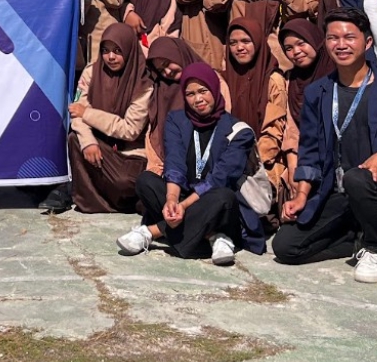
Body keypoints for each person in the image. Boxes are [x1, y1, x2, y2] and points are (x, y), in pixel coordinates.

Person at [273, 8, 377, 282]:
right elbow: (310, 151)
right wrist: (301, 194)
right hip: (337, 192)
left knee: (357, 179)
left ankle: (376, 247)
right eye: (333, 38)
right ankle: (355, 239)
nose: (341, 45)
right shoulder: (318, 92)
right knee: (285, 247)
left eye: (349, 37)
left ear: (367, 42)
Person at [118, 63, 259, 265]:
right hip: (184, 195)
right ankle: (211, 236)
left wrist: (183, 206)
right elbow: (174, 163)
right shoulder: (177, 120)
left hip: (217, 204)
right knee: (146, 181)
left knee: (223, 197)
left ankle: (152, 232)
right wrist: (172, 200)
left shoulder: (238, 131)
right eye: (190, 94)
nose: (198, 99)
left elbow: (220, 178)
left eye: (203, 91)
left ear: (214, 89)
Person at [66, 23, 153, 214]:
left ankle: (121, 200)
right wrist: (88, 141)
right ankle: (91, 201)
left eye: (117, 51)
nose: (111, 57)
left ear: (129, 50)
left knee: (125, 183)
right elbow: (76, 111)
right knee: (75, 139)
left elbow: (129, 130)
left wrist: (87, 113)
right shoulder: (92, 72)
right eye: (105, 50)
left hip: (131, 153)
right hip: (101, 146)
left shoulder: (143, 83)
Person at [222, 18, 288, 215]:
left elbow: (275, 130)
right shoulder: (225, 79)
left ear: (258, 42)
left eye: (246, 41)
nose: (239, 48)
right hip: (228, 159)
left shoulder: (273, 79)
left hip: (262, 162)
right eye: (233, 43)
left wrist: (250, 160)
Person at [139, 37, 221, 178]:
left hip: (207, 165)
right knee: (146, 181)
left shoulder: (211, 80)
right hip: (171, 168)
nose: (167, 72)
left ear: (178, 54)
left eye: (167, 63)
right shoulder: (162, 92)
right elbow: (154, 133)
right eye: (161, 70)